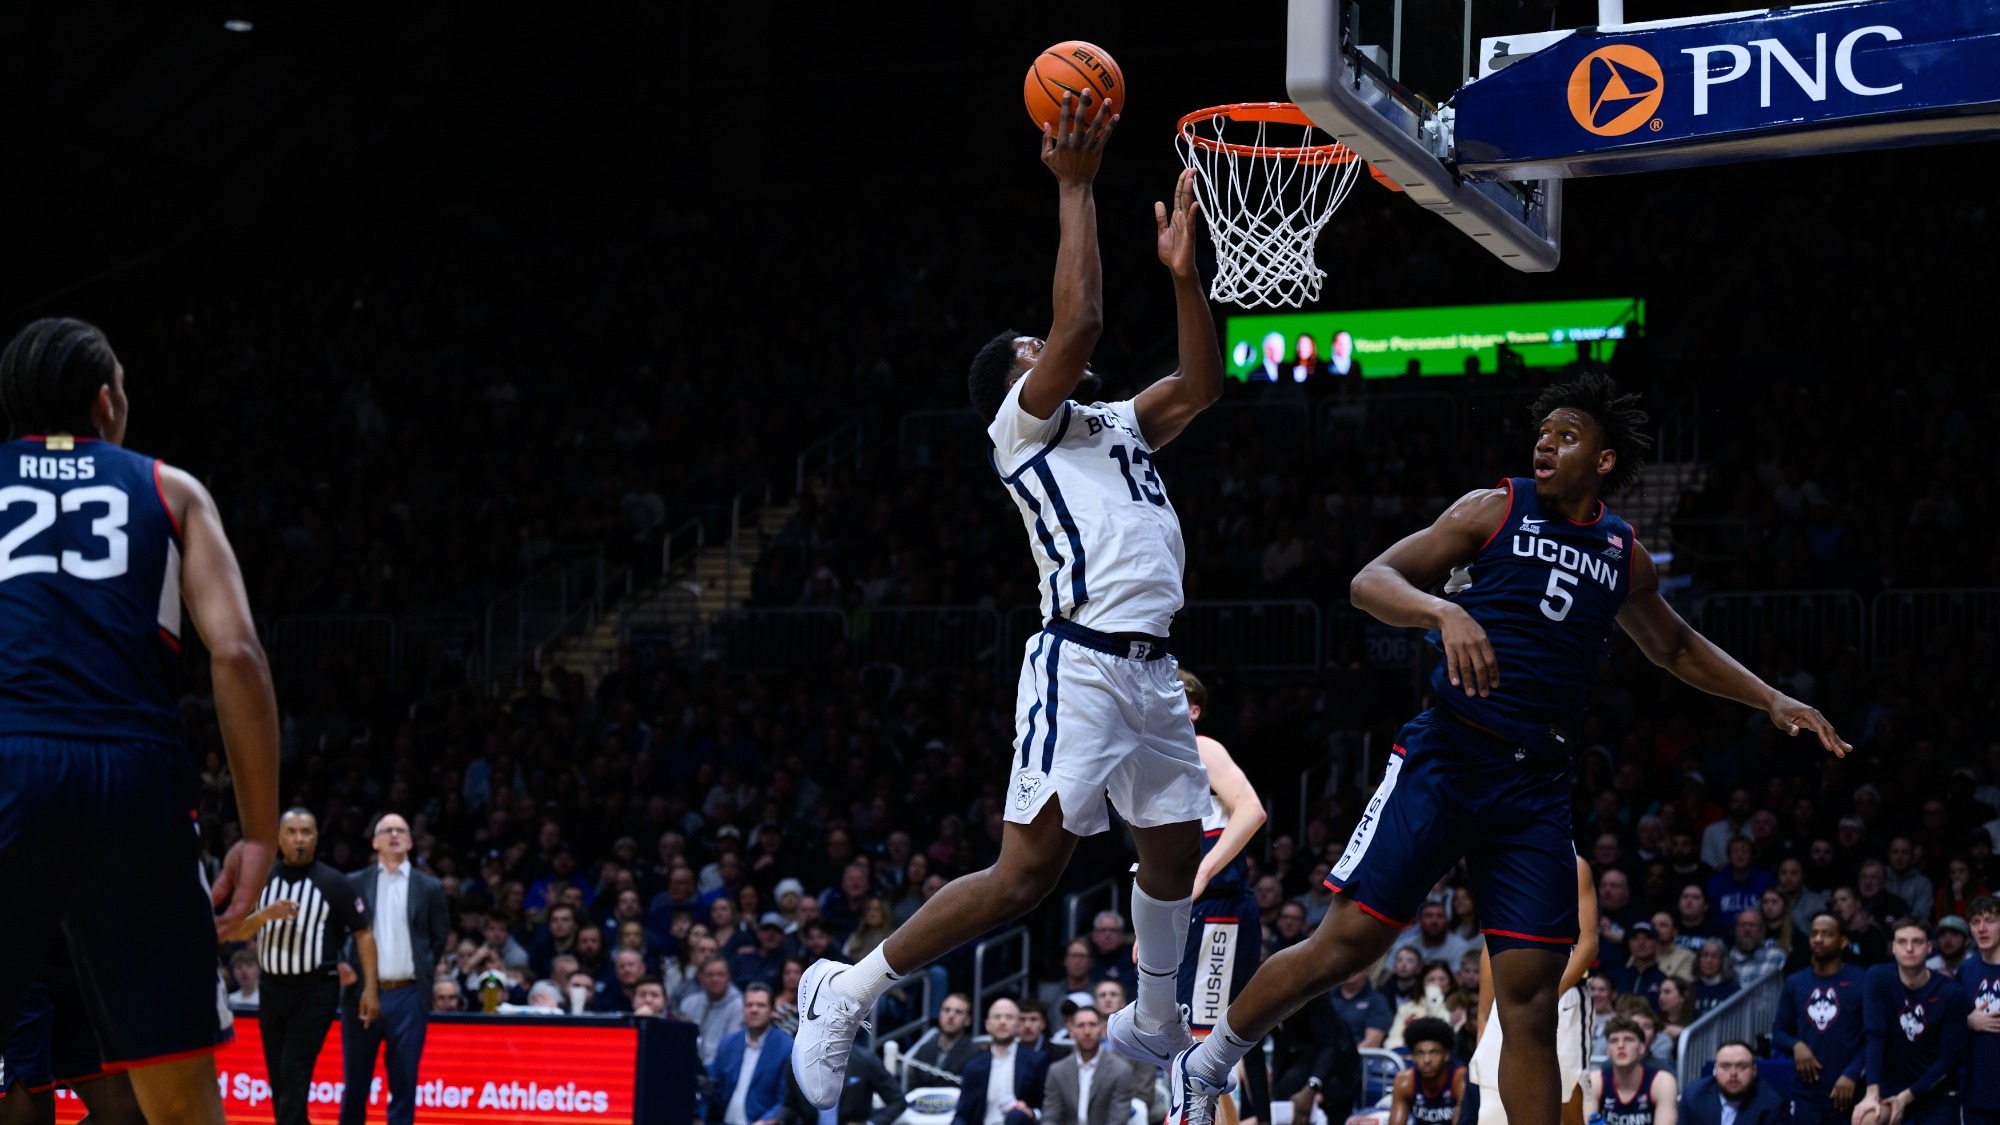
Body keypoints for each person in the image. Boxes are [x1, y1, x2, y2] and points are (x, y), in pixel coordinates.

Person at [1165, 373, 1849, 1125]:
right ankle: (1206, 1061)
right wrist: (1441, 611)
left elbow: (1677, 647)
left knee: (1530, 1002)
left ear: (1606, 460)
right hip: (1448, 757)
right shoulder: (1495, 508)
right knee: (1346, 947)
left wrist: (1771, 697)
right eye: (1543, 431)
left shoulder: (1624, 553)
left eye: (1567, 433)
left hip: (1535, 788)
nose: (1546, 441)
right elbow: (1371, 581)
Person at [795, 94, 1227, 1110]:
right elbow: (1078, 318)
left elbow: (1202, 384)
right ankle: (846, 992)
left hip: (1152, 665)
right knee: (1024, 875)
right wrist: (1074, 183)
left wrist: (1183, 277)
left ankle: (1157, 1014)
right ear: (1013, 385)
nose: (1053, 348)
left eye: (1046, 347)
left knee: (1171, 855)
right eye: (1032, 349)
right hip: (1076, 659)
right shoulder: (1022, 431)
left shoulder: (1114, 422)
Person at [0, 317, 282, 1124]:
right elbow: (236, 656)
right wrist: (258, 832)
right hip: (136, 775)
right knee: (178, 1090)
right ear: (105, 400)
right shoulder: (171, 488)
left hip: (8, 758)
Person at [1174, 669, 1267, 1124]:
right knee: (1188, 1035)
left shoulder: (1201, 748)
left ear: (1193, 711)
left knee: (1207, 1040)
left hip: (1221, 907)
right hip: (1187, 913)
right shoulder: (1153, 761)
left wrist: (1205, 873)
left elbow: (1252, 810)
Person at [258, 808, 377, 1125]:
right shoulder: (262, 877)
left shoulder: (333, 882)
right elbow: (241, 925)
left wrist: (370, 988)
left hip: (314, 991)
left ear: (316, 837)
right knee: (278, 1078)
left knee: (294, 1071)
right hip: (270, 989)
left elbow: (364, 934)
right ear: (279, 837)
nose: (299, 838)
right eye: (292, 831)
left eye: (306, 832)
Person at [1470, 856, 1599, 1125]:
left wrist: (1546, 996)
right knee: (1492, 1101)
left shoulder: (1575, 865)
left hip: (1562, 995)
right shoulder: (1502, 862)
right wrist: (1483, 1015)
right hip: (1508, 993)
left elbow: (1588, 945)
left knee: (1565, 1100)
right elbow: (1491, 942)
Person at [339, 811, 449, 1125]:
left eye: (400, 829)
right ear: (375, 842)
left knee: (404, 1082)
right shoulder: (353, 883)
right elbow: (334, 930)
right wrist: (342, 964)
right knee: (356, 1082)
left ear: (411, 842)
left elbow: (438, 937)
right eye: (386, 830)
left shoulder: (429, 887)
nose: (394, 835)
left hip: (408, 995)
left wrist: (423, 969)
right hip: (362, 994)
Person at [1852, 918, 1969, 1125]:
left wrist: (1905, 1097)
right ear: (1893, 948)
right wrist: (1871, 1092)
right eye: (1902, 941)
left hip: (1936, 1090)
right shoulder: (1878, 978)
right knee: (1865, 1119)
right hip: (1891, 1085)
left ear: (1929, 947)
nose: (1909, 948)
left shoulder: (1951, 992)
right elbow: (1875, 1035)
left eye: (1917, 942)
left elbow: (1948, 1060)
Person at [1772, 913, 1865, 1125]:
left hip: (1849, 1091)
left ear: (1843, 942)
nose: (1818, 939)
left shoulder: (1862, 981)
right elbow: (1779, 1033)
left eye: (1827, 934)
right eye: (1814, 933)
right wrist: (1796, 1045)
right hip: (1807, 1096)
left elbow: (1874, 1038)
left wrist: (1852, 1073)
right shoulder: (1796, 982)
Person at [1042, 1003, 1156, 1125]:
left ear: (1102, 1029)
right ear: (1071, 1031)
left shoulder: (1120, 1070)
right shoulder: (1057, 1071)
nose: (1087, 1031)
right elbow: (1050, 1118)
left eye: (1092, 1025)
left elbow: (1117, 1121)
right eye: (1081, 1025)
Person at [952, 997, 1049, 1125]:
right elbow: (963, 1113)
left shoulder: (1036, 1061)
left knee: (1017, 1116)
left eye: (1009, 1017)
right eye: (997, 1017)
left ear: (1018, 1025)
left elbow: (1048, 1106)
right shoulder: (974, 1065)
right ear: (987, 1025)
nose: (1002, 1022)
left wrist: (1031, 1112)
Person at [709, 983, 792, 1125]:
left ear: (772, 1011)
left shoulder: (786, 1047)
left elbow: (786, 1099)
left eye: (761, 1005)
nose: (754, 1010)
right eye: (749, 1005)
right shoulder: (728, 1043)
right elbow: (713, 1089)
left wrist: (766, 1121)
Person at [1585, 1017, 1677, 1125]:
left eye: (1628, 1039)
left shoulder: (1662, 1082)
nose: (1620, 1045)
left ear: (1641, 1048)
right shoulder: (1593, 1081)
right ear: (1608, 1051)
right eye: (1614, 1041)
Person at [778, 1046, 902, 1125]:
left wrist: (870, 1123)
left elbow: (898, 1102)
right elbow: (791, 1106)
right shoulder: (797, 1061)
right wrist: (775, 1119)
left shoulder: (865, 1060)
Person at [1961, 895, 2000, 1125]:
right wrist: (1967, 1022)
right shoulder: (1967, 969)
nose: (1982, 928)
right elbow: (1950, 1025)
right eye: (1975, 922)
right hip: (1978, 1090)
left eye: (1990, 920)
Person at [1675, 1042, 1784, 1125]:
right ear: (1715, 1070)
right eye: (1725, 1066)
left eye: (1741, 1066)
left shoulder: (1771, 1103)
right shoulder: (1694, 1096)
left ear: (1754, 1071)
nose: (1733, 1073)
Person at [1388, 1018, 1465, 1125]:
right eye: (1420, 1053)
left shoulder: (1460, 1080)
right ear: (1413, 1057)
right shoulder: (1404, 1081)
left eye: (1434, 1052)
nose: (1426, 1060)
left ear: (1446, 1055)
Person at [681, 957, 745, 1067]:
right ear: (700, 978)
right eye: (710, 975)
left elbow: (731, 1048)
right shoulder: (689, 1003)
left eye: (720, 975)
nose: (715, 979)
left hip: (719, 1068)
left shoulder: (739, 1006)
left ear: (728, 977)